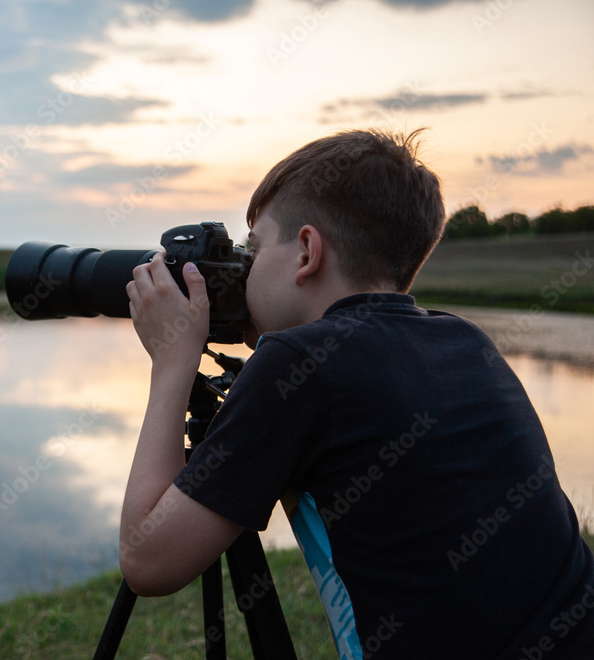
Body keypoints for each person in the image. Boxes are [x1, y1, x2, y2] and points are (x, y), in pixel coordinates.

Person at [119, 129, 594, 659]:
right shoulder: (463, 339)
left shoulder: (297, 368)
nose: (246, 271)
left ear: (305, 252)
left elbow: (147, 562)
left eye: (254, 249)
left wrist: (173, 361)